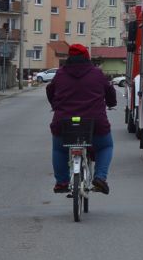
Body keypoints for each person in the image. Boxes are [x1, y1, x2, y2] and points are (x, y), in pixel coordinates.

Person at [46, 43, 117, 194]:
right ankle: (100, 178)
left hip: (64, 123)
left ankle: (61, 182)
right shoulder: (97, 74)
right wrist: (111, 103)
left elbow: (50, 90)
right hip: (95, 124)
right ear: (87, 57)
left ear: (69, 58)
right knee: (105, 146)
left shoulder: (60, 74)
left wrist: (55, 105)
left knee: (59, 149)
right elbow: (110, 91)